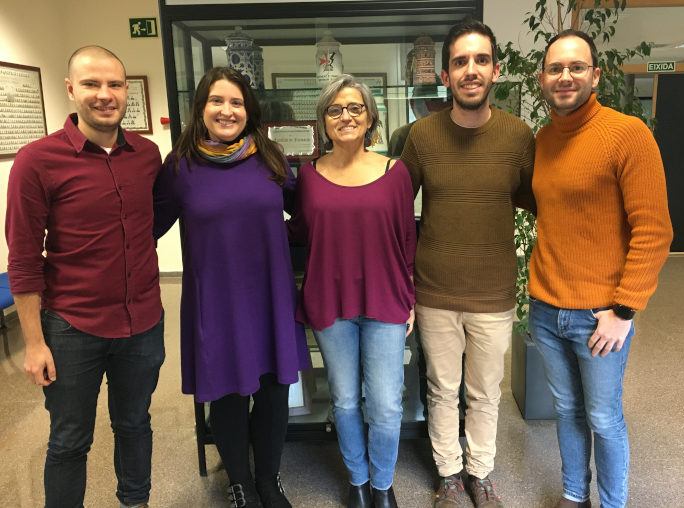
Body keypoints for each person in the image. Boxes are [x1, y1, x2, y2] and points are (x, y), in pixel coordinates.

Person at [5, 46, 164, 508]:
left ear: (126, 90)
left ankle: (136, 502)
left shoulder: (148, 155)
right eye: (92, 84)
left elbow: (151, 222)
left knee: (135, 424)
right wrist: (34, 343)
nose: (104, 94)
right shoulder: (38, 161)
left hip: (143, 323)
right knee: (70, 440)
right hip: (73, 327)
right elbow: (24, 259)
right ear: (71, 90)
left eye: (114, 84)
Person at [152, 67, 309, 508]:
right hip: (215, 301)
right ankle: (239, 481)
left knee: (274, 390)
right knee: (226, 393)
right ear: (200, 109)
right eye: (216, 101)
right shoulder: (180, 166)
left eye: (236, 102)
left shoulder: (271, 157)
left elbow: (308, 215)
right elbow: (147, 227)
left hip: (270, 296)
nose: (227, 110)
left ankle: (269, 480)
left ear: (249, 110)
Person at [529, 30, 673, 508]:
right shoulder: (543, 140)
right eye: (555, 69)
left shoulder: (627, 134)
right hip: (546, 307)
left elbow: (654, 231)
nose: (564, 76)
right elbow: (548, 209)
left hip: (600, 314)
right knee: (567, 411)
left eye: (575, 67)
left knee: (604, 416)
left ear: (595, 74)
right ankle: (575, 495)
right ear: (542, 78)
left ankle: (612, 503)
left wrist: (623, 311)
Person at [400, 19, 536, 508]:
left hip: (494, 292)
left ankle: (480, 473)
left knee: (484, 393)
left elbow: (535, 199)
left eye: (480, 60)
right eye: (461, 62)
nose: (471, 70)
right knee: (441, 389)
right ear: (445, 73)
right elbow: (396, 210)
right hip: (434, 289)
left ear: (495, 70)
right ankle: (450, 476)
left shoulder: (519, 137)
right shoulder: (420, 136)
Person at [288, 74, 416, 508]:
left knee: (385, 404)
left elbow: (406, 239)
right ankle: (358, 481)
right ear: (323, 121)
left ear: (370, 117)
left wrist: (410, 295)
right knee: (343, 400)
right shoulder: (307, 175)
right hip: (329, 301)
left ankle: (382, 484)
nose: (346, 116)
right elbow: (300, 231)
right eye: (335, 109)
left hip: (386, 300)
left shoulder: (395, 172)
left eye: (355, 108)